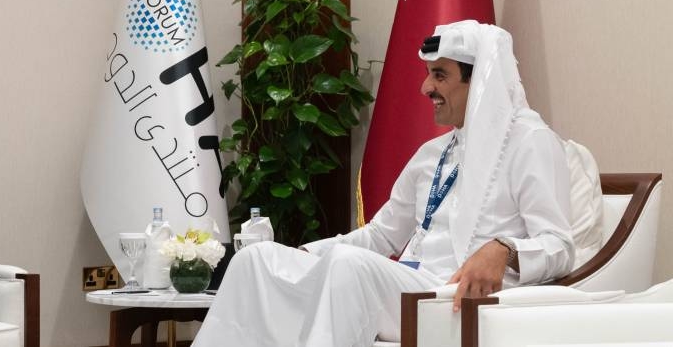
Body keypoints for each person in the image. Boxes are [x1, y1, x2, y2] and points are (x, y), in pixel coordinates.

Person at [192, 21, 574, 347]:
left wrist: (504, 249)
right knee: (256, 259)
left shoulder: (530, 142)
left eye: (440, 75)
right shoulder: (432, 153)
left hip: (457, 299)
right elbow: (380, 236)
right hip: (411, 286)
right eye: (429, 74)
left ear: (481, 82)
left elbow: (559, 247)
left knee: (348, 266)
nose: (426, 88)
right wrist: (312, 252)